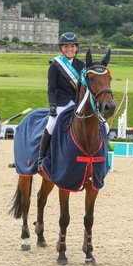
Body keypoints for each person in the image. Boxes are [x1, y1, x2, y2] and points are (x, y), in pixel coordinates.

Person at [37, 32, 85, 171]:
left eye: (72, 46)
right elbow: (51, 89)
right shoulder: (55, 65)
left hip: (78, 103)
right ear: (61, 48)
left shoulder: (82, 65)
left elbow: (85, 87)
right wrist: (52, 105)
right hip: (62, 102)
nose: (69, 49)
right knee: (51, 124)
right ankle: (41, 158)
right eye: (66, 46)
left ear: (76, 48)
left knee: (102, 126)